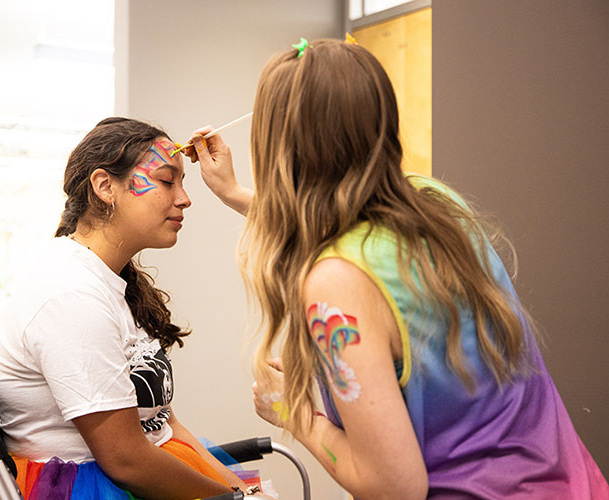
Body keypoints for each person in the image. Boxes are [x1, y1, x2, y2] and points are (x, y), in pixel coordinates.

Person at [183, 38, 609, 499]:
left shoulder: (336, 284)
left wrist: (294, 411)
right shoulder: (435, 204)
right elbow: (337, 219)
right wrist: (235, 193)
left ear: (280, 145)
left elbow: (393, 487)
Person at [0, 117, 260, 500]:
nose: (185, 198)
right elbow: (126, 461)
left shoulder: (107, 284)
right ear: (105, 187)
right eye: (168, 180)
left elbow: (163, 424)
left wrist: (241, 491)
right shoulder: (71, 294)